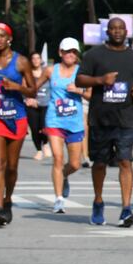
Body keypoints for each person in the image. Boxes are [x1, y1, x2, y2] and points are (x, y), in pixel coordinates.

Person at [77, 16, 133, 227]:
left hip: (126, 118)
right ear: (107, 32)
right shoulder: (94, 55)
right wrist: (100, 80)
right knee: (99, 163)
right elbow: (79, 79)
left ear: (127, 32)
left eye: (121, 28)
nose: (117, 32)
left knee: (125, 161)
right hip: (100, 118)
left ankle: (126, 208)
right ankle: (98, 201)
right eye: (113, 28)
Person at [0, 21, 36, 226]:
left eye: (2, 35)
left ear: (9, 38)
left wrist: (16, 87)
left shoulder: (21, 61)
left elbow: (33, 91)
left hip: (16, 117)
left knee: (12, 167)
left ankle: (8, 199)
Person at [44, 37, 89, 213]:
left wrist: (79, 90)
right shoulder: (50, 71)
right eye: (67, 51)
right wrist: (28, 96)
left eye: (73, 52)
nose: (70, 55)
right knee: (57, 157)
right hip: (54, 120)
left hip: (74, 122)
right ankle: (59, 199)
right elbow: (33, 86)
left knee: (75, 164)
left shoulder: (82, 72)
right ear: (60, 53)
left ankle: (63, 175)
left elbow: (91, 95)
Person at [26, 50, 50, 162]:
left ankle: (45, 143)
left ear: (41, 60)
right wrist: (28, 99)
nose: (36, 60)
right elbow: (23, 88)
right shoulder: (27, 74)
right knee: (35, 129)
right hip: (32, 105)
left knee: (44, 127)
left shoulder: (47, 72)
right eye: (33, 58)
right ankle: (39, 150)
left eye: (37, 58)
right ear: (30, 61)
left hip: (46, 104)